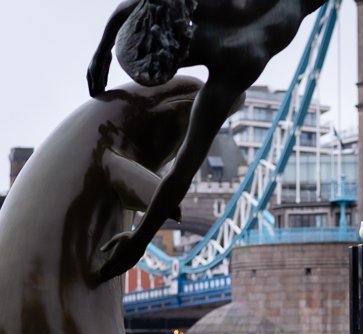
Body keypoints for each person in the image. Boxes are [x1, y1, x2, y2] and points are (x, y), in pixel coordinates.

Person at [86, 0, 326, 280]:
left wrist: (140, 240)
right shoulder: (206, 7)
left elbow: (181, 172)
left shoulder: (241, 60)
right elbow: (142, 4)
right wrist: (102, 50)